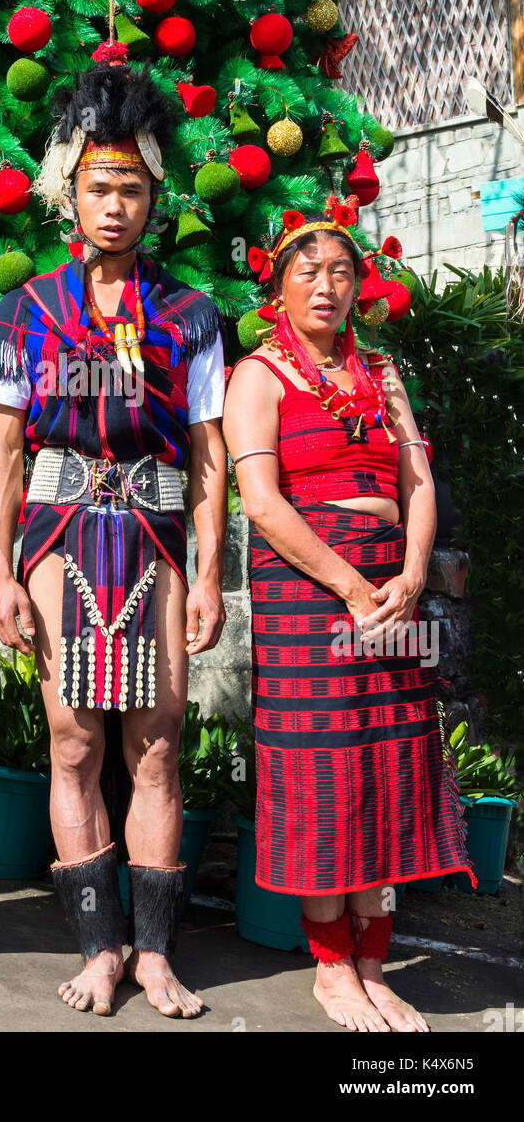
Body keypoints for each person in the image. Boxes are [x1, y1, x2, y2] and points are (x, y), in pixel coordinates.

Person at [0, 55, 228, 1018]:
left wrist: (210, 575)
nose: (113, 204)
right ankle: (99, 945)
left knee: (156, 745)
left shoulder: (191, 316)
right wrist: (0, 572)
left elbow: (207, 454)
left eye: (131, 186)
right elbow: (2, 453)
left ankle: (156, 954)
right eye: (96, 186)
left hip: (155, 544)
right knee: (74, 745)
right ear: (66, 192)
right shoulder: (21, 314)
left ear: (155, 197)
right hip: (58, 541)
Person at [222, 198, 476, 1033]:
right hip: (310, 590)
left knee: (390, 762)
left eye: (339, 272)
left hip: (388, 585)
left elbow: (416, 485)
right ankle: (332, 971)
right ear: (279, 290)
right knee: (324, 768)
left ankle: (374, 964)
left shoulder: (382, 374)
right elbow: (260, 501)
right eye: (307, 273)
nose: (325, 287)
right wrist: (347, 586)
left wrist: (407, 574)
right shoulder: (257, 375)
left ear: (358, 287)